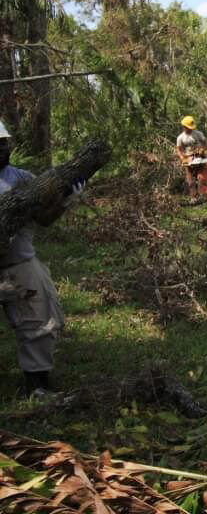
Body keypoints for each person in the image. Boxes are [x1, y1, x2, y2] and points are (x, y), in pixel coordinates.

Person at [0, 121, 84, 397]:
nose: (3, 148)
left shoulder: (22, 179)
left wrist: (65, 198)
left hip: (19, 265)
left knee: (39, 323)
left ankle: (37, 385)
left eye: (5, 142)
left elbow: (44, 218)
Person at [175, 115, 207, 202]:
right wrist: (182, 158)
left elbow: (206, 144)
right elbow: (179, 150)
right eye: (188, 127)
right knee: (190, 181)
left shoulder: (198, 134)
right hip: (189, 159)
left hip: (200, 157)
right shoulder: (180, 138)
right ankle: (193, 198)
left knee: (202, 178)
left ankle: (206, 197)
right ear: (184, 127)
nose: (190, 129)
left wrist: (202, 149)